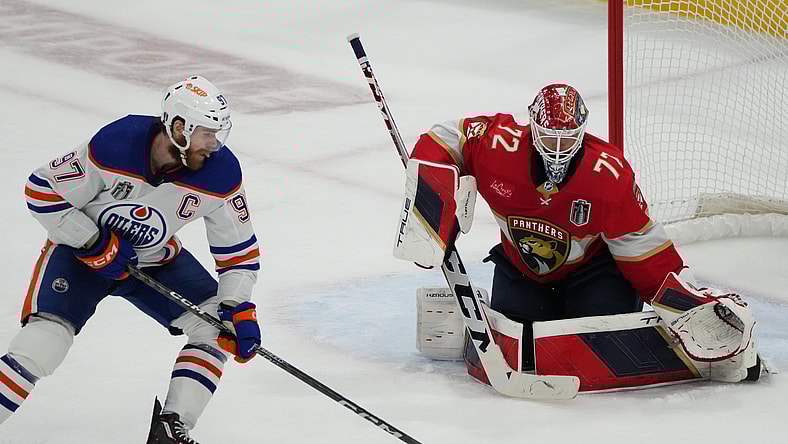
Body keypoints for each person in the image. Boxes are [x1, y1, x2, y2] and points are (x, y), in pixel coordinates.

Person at [395, 83, 759, 381]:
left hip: (593, 272)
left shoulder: (607, 174)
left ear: (581, 131)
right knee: (520, 345)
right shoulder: (497, 144)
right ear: (532, 128)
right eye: (550, 137)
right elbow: (444, 138)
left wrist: (683, 303)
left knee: (596, 339)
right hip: (523, 269)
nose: (558, 148)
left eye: (567, 138)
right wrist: (431, 207)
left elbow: (641, 247)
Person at [1, 76, 261, 444]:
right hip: (80, 258)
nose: (214, 143)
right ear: (178, 127)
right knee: (45, 341)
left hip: (154, 260)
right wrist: (92, 241)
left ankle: (171, 430)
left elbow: (239, 253)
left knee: (217, 329)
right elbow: (42, 190)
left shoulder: (222, 174)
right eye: (206, 133)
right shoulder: (116, 144)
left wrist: (236, 306)